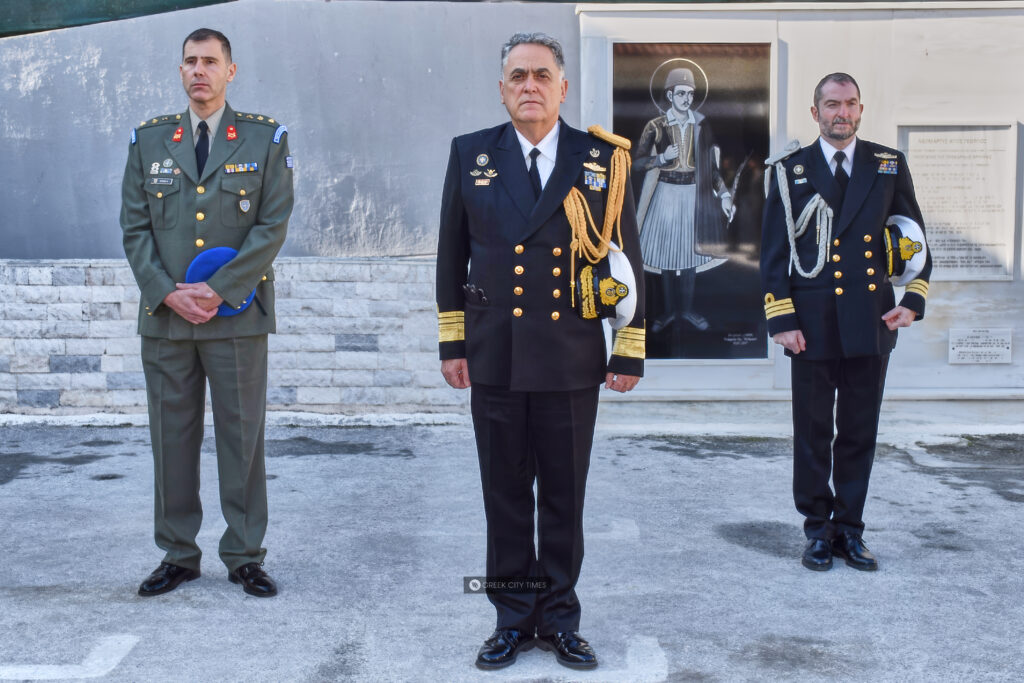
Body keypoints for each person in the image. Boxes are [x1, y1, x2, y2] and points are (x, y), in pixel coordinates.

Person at [436, 32, 645, 671]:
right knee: (503, 493)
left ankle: (558, 618)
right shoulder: (472, 154)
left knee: (563, 495)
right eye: (518, 75)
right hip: (495, 354)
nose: (530, 85)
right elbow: (452, 253)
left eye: (542, 75)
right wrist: (453, 340)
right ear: (502, 88)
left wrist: (629, 347)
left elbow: (626, 255)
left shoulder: (602, 160)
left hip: (570, 353)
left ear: (562, 86)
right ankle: (510, 616)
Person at [120, 28, 293, 598]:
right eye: (190, 62)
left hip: (237, 317)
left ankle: (244, 554)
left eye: (210, 61)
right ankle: (177, 553)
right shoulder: (149, 142)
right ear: (181, 71)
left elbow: (272, 226)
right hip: (167, 318)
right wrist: (166, 292)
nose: (200, 70)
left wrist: (218, 290)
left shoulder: (264, 140)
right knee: (171, 437)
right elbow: (135, 227)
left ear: (230, 71)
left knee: (242, 437)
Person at [760, 73, 931, 572]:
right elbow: (773, 254)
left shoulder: (887, 164)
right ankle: (817, 530)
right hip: (809, 324)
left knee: (859, 431)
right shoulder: (790, 169)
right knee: (812, 432)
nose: (842, 113)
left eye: (851, 104)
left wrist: (913, 299)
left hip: (870, 319)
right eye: (832, 104)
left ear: (861, 109)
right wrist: (781, 319)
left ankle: (850, 530)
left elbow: (914, 237)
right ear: (816, 112)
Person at [633, 67, 733, 335]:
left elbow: (711, 168)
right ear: (669, 95)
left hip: (692, 195)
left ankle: (687, 310)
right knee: (666, 257)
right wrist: (662, 158)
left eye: (690, 94)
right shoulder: (655, 126)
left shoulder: (700, 124)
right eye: (681, 93)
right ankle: (667, 313)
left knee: (689, 257)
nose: (686, 98)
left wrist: (724, 195)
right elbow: (638, 162)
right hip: (665, 194)